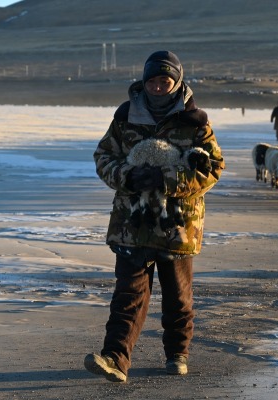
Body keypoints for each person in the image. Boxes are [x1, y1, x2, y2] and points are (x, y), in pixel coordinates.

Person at [85, 50, 224, 383]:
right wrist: (129, 177)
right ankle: (115, 358)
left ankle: (177, 353)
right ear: (144, 82)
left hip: (176, 225)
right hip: (132, 222)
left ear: (177, 82)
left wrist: (168, 181)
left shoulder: (195, 122)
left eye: (166, 81)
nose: (159, 87)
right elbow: (104, 157)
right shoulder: (125, 117)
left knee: (177, 296)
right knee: (128, 294)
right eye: (153, 81)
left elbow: (212, 169)